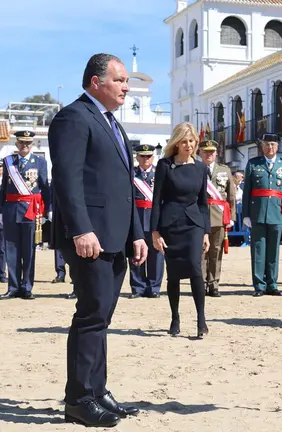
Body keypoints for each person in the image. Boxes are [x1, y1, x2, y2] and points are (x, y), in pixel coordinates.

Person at [50, 53, 148, 427]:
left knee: (102, 317)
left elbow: (124, 186)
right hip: (90, 237)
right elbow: (68, 180)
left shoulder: (111, 123)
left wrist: (136, 234)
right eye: (120, 80)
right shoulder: (74, 117)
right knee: (91, 315)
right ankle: (78, 398)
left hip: (116, 236)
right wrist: (80, 229)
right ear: (96, 82)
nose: (127, 87)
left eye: (126, 81)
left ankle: (97, 389)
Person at [151, 123, 211, 339]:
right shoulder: (164, 165)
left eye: (192, 141)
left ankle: (201, 319)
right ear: (176, 143)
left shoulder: (201, 168)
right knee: (174, 274)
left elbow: (204, 203)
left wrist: (206, 231)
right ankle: (175, 317)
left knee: (196, 268)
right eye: (184, 141)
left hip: (194, 224)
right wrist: (155, 232)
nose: (188, 145)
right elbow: (156, 200)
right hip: (171, 224)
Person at [0, 130, 51, 300]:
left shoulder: (40, 162)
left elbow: (45, 188)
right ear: (16, 144)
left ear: (33, 145)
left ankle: (27, 287)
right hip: (11, 210)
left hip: (31, 211)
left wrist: (47, 210)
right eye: (21, 142)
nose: (25, 146)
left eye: (28, 143)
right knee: (11, 250)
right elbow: (3, 189)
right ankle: (13, 287)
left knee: (29, 251)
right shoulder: (8, 162)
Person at [242, 133, 282, 297]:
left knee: (274, 251)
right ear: (262, 147)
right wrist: (246, 215)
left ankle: (272, 283)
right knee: (258, 250)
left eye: (273, 144)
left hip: (277, 213)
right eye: (266, 144)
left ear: (277, 147)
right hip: (257, 213)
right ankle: (259, 285)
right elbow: (247, 192)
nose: (269, 147)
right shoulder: (253, 164)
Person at [199, 140, 236, 297]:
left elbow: (231, 195)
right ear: (200, 153)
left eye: (212, 152)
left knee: (216, 251)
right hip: (200, 216)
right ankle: (200, 283)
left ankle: (214, 284)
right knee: (201, 252)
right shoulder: (195, 168)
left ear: (216, 153)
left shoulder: (224, 170)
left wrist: (232, 216)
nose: (209, 154)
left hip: (219, 215)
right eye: (206, 151)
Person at [129, 144, 164, 299]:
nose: (145, 159)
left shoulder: (160, 173)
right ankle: (138, 287)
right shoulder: (131, 174)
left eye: (148, 156)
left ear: (153, 157)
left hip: (155, 218)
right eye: (142, 156)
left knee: (156, 254)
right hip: (136, 217)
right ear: (137, 157)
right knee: (136, 253)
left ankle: (154, 287)